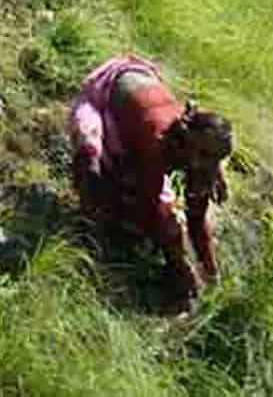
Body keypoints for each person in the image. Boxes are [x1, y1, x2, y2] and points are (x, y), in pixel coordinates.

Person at [69, 54, 234, 308]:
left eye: (214, 160)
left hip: (142, 100)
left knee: (163, 220)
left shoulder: (201, 158)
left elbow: (197, 218)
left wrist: (212, 275)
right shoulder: (159, 141)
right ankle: (87, 236)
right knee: (95, 173)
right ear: (187, 139)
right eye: (203, 156)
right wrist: (178, 262)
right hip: (105, 100)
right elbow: (148, 208)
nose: (205, 165)